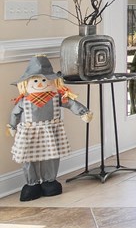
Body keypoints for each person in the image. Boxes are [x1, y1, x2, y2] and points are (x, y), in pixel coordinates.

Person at [7, 55, 92, 201]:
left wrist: (83, 112)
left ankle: (49, 181)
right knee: (28, 159)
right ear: (26, 83)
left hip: (50, 133)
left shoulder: (56, 97)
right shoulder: (23, 101)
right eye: (35, 81)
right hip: (29, 134)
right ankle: (32, 184)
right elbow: (15, 113)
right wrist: (12, 126)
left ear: (54, 81)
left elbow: (71, 103)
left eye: (45, 80)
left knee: (51, 157)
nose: (40, 84)